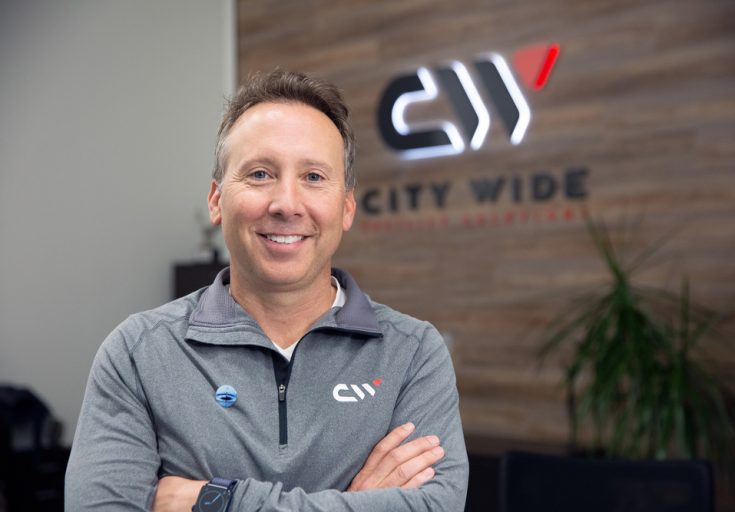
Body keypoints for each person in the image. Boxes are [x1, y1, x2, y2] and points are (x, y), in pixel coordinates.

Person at [65, 70, 468, 511]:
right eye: (260, 174)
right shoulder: (137, 354)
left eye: (313, 177)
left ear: (346, 207)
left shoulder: (413, 354)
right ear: (216, 201)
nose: (286, 204)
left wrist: (218, 501)